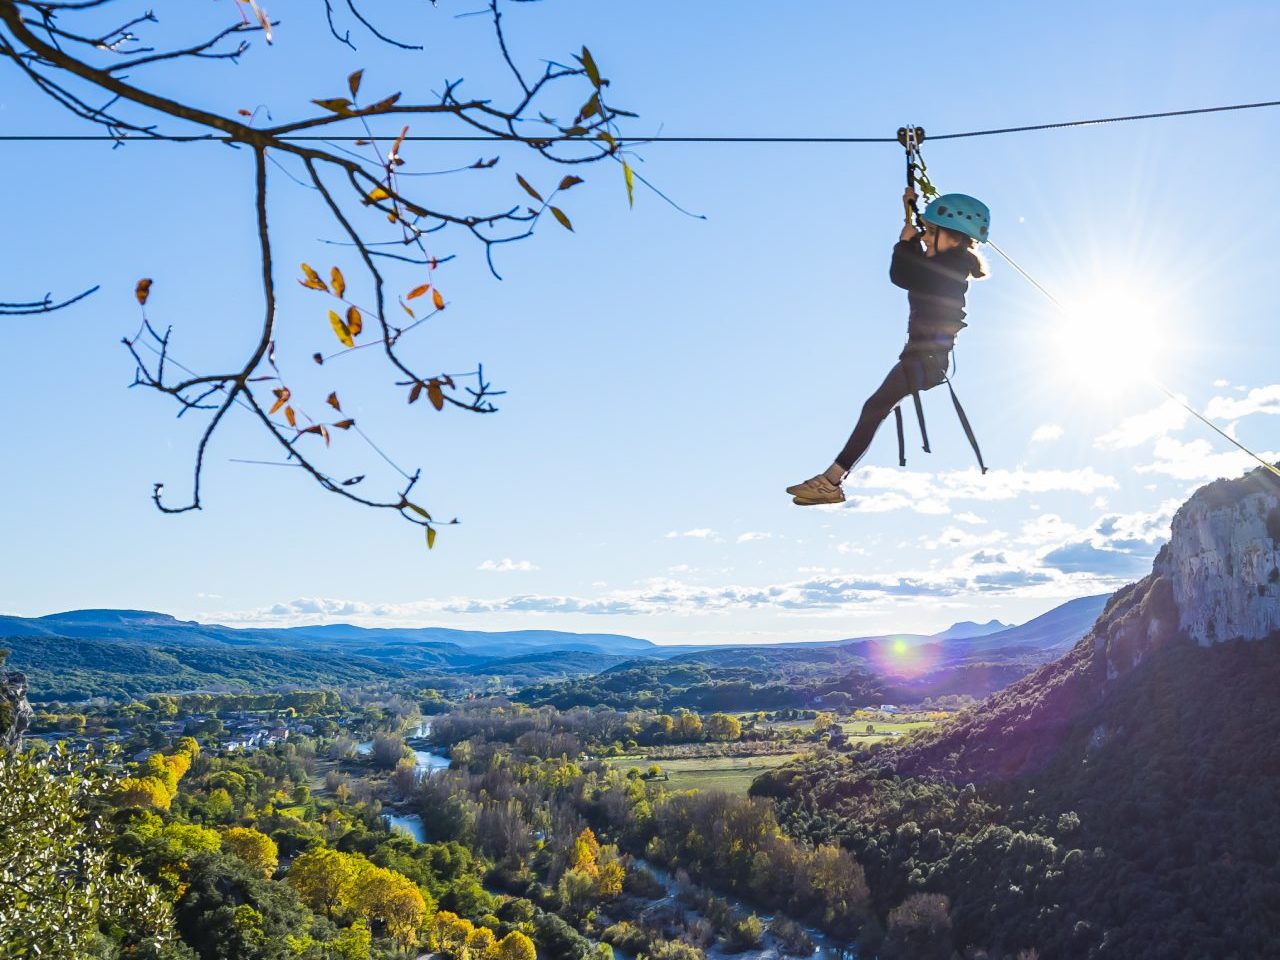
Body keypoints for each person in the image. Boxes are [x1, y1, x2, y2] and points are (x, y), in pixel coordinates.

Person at [786, 187, 991, 505]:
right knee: (875, 407)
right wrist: (909, 210)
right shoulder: (947, 266)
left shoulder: (948, 271)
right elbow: (915, 267)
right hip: (924, 358)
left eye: (931, 233)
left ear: (953, 239)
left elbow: (902, 273)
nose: (925, 238)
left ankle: (831, 482)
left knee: (875, 408)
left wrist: (905, 241)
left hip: (927, 360)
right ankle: (830, 481)